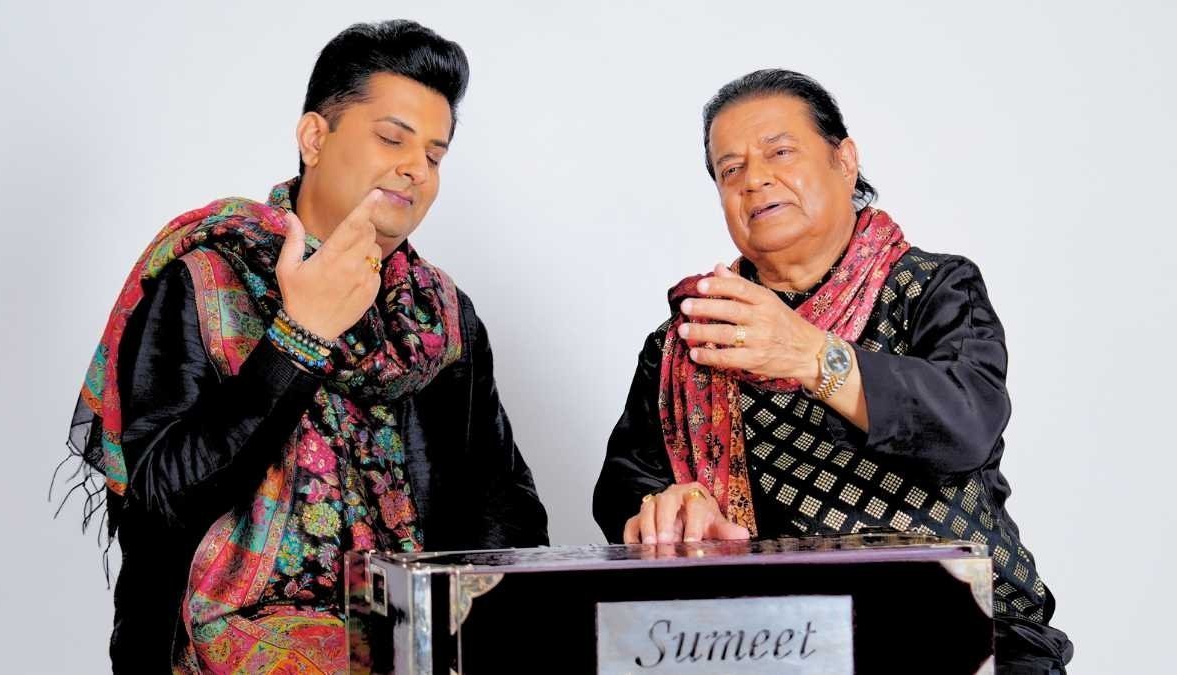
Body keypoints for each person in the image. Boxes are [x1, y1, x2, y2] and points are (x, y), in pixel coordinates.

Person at [63, 20, 547, 673]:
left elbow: (505, 506)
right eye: (392, 138)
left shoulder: (441, 318)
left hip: (411, 645)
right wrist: (298, 337)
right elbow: (156, 503)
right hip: (218, 648)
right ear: (314, 137)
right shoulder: (207, 278)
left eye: (434, 156)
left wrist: (473, 633)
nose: (415, 168)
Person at [592, 69, 1072, 672]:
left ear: (844, 161)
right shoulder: (694, 333)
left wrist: (811, 355)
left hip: (960, 626)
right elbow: (624, 485)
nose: (754, 179)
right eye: (730, 169)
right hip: (768, 639)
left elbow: (966, 425)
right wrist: (671, 505)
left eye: (779, 152)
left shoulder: (931, 288)